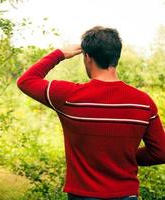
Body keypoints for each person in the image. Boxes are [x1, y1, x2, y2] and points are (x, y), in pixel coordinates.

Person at [16, 26, 165, 200]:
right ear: (116, 57)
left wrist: (60, 54)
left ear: (87, 57)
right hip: (127, 195)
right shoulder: (143, 103)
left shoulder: (69, 96)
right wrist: (126, 156)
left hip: (83, 195)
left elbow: (26, 81)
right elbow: (161, 152)